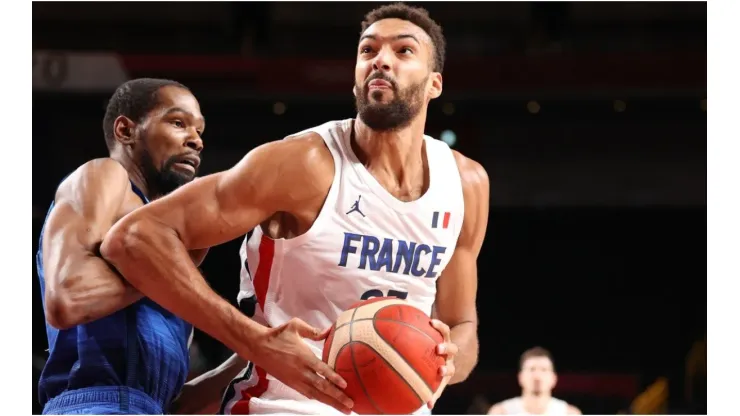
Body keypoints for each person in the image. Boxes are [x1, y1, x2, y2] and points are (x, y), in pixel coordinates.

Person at [101, 3, 489, 415]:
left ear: (434, 84)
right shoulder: (303, 165)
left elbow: (462, 325)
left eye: (403, 51)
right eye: (367, 50)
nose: (380, 60)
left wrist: (444, 361)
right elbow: (134, 238)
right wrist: (254, 341)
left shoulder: (465, 185)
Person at [35, 78, 226, 414]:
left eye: (200, 131)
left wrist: (258, 352)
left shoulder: (167, 249)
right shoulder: (105, 175)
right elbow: (67, 299)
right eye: (178, 123)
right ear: (125, 130)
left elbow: (176, 405)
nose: (195, 140)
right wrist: (168, 272)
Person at [487, 347, 582, 415]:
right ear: (520, 377)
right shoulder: (501, 412)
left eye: (544, 370)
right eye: (531, 369)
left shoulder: (569, 413)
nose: (537, 376)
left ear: (554, 378)